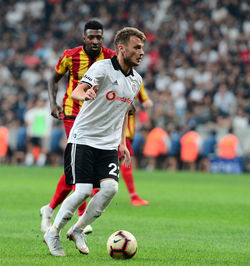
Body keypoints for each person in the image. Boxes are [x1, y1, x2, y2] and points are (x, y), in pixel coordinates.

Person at [43, 26, 146, 256]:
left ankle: (78, 229)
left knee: (110, 188)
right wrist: (86, 94)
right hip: (83, 138)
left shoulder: (136, 81)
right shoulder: (101, 68)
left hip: (108, 144)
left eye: (142, 48)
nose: (141, 52)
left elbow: (123, 112)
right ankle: (53, 231)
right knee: (83, 191)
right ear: (121, 48)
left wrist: (122, 142)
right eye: (136, 47)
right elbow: (78, 91)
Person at [40, 20, 116, 233]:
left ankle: (49, 208)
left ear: (103, 38)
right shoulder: (70, 55)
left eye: (98, 37)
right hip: (72, 113)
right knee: (81, 162)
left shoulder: (110, 57)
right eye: (91, 37)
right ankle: (82, 215)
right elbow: (53, 79)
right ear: (84, 37)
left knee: (75, 167)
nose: (94, 41)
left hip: (97, 116)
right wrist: (53, 103)